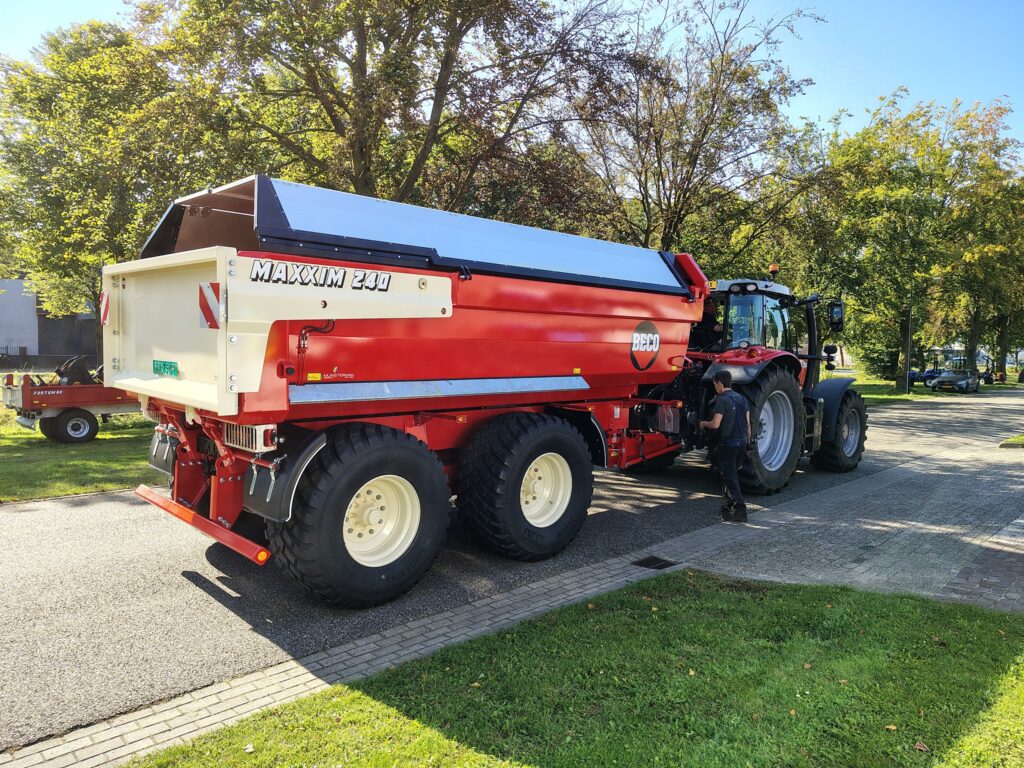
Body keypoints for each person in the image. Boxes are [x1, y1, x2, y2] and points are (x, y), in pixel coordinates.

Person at [698, 369, 751, 522]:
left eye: (715, 384)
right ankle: (727, 507)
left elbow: (715, 424)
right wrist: (748, 442)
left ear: (720, 383)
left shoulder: (722, 400)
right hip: (742, 443)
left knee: (730, 477)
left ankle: (740, 509)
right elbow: (748, 425)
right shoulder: (742, 399)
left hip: (728, 443)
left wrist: (703, 423)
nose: (715, 387)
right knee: (729, 475)